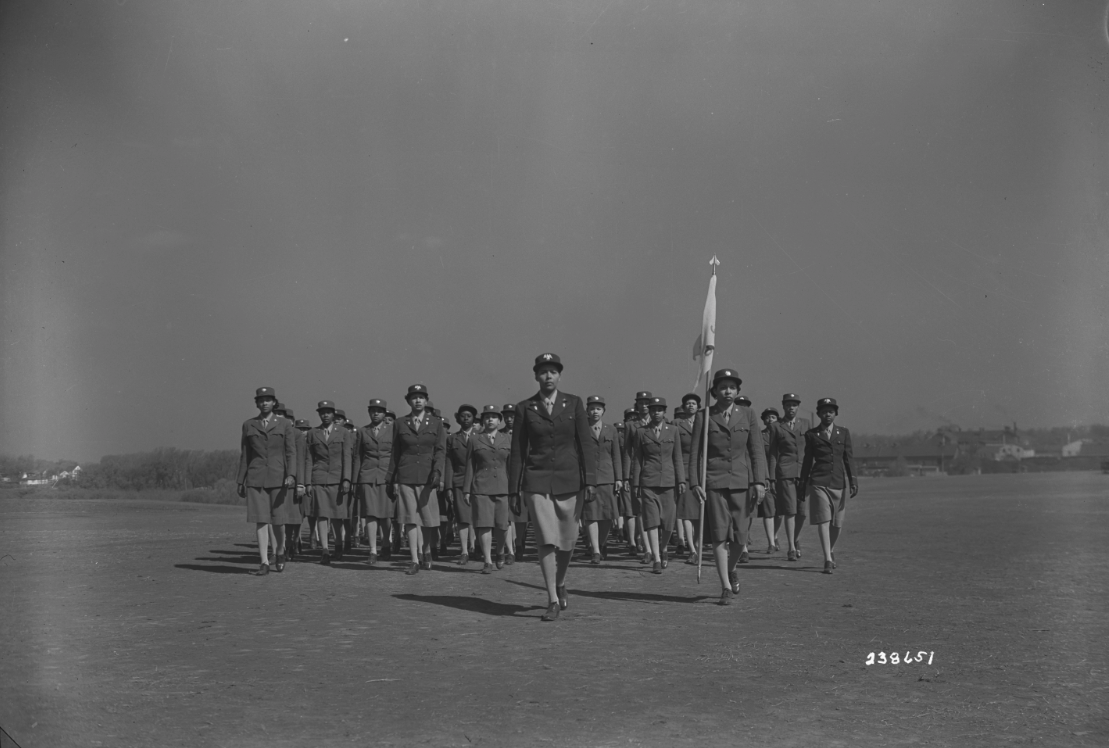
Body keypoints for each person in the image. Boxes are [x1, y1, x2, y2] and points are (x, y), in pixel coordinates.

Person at [508, 353, 597, 622]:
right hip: (537, 481)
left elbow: (585, 444)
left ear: (559, 376)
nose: (548, 376)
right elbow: (517, 452)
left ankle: (560, 581)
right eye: (543, 371)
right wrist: (514, 489)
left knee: (567, 543)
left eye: (553, 371)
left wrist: (590, 480)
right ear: (536, 376)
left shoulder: (574, 404)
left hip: (570, 481)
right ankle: (552, 599)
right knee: (546, 539)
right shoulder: (525, 408)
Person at [688, 369, 769, 605]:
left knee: (741, 537)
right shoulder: (705, 416)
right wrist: (695, 483)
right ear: (714, 391)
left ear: (738, 391)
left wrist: (759, 481)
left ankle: (731, 568)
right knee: (719, 535)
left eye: (732, 387)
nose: (728, 391)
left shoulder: (748, 414)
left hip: (743, 483)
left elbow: (756, 451)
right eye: (723, 387)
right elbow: (695, 454)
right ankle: (724, 585)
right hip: (714, 482)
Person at [237, 387, 298, 575]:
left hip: (279, 478)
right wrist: (241, 480)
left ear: (274, 402)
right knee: (261, 521)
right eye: (260, 400)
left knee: (278, 521)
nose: (264, 403)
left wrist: (291, 475)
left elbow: (290, 452)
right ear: (256, 403)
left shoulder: (284, 424)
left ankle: (280, 550)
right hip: (256, 478)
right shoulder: (249, 425)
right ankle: (263, 561)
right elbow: (245, 454)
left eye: (268, 400)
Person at [387, 383, 446, 575]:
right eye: (414, 397)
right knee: (410, 519)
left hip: (428, 477)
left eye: (421, 397)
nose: (418, 400)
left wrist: (437, 472)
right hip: (406, 475)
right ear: (408, 401)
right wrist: (390, 478)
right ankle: (414, 559)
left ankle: (426, 552)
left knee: (427, 519)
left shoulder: (436, 423)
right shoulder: (400, 423)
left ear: (426, 400)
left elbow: (440, 450)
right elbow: (395, 453)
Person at [799, 398, 858, 574]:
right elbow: (807, 461)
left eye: (831, 411)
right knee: (823, 520)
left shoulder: (843, 433)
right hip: (819, 482)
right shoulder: (811, 435)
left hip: (838, 483)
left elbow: (849, 458)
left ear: (836, 414)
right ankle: (827, 559)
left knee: (837, 524)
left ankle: (830, 550)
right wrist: (803, 484)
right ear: (818, 414)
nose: (828, 414)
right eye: (824, 411)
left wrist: (853, 480)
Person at [631, 397, 686, 574]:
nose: (656, 412)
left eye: (659, 410)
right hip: (648, 481)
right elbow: (637, 459)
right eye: (653, 409)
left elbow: (677, 458)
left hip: (669, 482)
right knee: (652, 521)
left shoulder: (673, 431)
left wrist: (681, 480)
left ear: (664, 412)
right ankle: (656, 557)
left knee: (668, 523)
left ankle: (663, 549)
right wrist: (636, 483)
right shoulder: (641, 432)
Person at [464, 405, 513, 573]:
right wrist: (467, 490)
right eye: (486, 417)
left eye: (493, 417)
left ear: (499, 421)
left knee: (502, 526)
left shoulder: (507, 439)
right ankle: (487, 560)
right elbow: (470, 466)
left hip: (503, 487)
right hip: (481, 487)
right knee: (484, 525)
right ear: (482, 421)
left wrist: (515, 489)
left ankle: (500, 551)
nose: (490, 419)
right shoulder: (475, 439)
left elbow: (512, 466)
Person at [304, 400, 352, 565]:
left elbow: (347, 457)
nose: (325, 415)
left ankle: (338, 545)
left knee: (337, 516)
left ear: (334, 415)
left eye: (328, 412)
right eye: (322, 412)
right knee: (321, 515)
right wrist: (308, 482)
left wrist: (346, 479)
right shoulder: (312, 433)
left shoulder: (344, 433)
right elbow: (309, 459)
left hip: (338, 480)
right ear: (319, 414)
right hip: (319, 479)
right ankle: (325, 550)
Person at [351, 399, 394, 566]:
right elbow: (358, 457)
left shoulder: (392, 431)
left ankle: (386, 545)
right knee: (370, 514)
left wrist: (394, 477)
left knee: (386, 514)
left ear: (384, 414)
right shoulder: (362, 431)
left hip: (385, 476)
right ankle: (373, 550)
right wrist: (355, 481)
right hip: (367, 476)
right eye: (373, 410)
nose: (376, 413)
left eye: (379, 411)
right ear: (369, 412)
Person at [768, 394, 810, 561]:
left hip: (803, 472)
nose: (791, 408)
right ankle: (791, 548)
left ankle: (796, 538)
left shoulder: (806, 424)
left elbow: (810, 449)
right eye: (788, 405)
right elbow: (772, 454)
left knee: (802, 512)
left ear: (798, 407)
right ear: (783, 407)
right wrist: (771, 477)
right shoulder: (776, 426)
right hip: (785, 473)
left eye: (794, 405)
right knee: (790, 511)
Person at [581, 395, 623, 564]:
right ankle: (595, 550)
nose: (595, 411)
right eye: (592, 408)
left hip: (608, 477)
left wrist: (619, 478)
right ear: (587, 410)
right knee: (591, 515)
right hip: (589, 479)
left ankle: (602, 543)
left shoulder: (611, 430)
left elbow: (616, 456)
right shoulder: (582, 429)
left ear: (603, 411)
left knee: (607, 516)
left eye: (598, 408)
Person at [445, 404, 479, 565]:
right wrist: (448, 487)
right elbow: (449, 464)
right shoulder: (452, 439)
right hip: (459, 481)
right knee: (462, 518)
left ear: (474, 419)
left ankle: (476, 547)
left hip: (479, 482)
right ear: (458, 418)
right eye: (463, 416)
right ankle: (464, 550)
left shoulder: (482, 436)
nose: (466, 419)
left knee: (478, 517)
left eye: (469, 416)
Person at [621, 392, 652, 557]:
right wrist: (626, 476)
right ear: (637, 405)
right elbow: (627, 452)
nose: (644, 405)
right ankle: (646, 547)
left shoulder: (660, 423)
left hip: (655, 471)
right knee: (640, 510)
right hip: (637, 472)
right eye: (641, 402)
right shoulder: (631, 425)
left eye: (647, 402)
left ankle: (654, 545)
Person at [673, 404, 700, 564]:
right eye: (688, 403)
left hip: (701, 471)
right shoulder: (677, 424)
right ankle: (691, 549)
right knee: (687, 514)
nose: (691, 405)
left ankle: (697, 545)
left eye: (694, 403)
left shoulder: (705, 421)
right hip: (684, 471)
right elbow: (675, 452)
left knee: (699, 515)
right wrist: (680, 477)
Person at [758, 408, 782, 555]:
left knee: (779, 512)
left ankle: (775, 535)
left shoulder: (783, 434)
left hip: (781, 476)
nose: (770, 420)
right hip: (766, 477)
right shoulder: (760, 437)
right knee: (768, 511)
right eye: (767, 418)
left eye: (773, 417)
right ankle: (771, 543)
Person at [291, 418, 312, 558]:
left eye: (305, 429)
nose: (303, 432)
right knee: (294, 514)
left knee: (302, 514)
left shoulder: (311, 443)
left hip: (307, 482)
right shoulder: (292, 443)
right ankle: (295, 540)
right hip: (295, 482)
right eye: (300, 429)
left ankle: (298, 538)